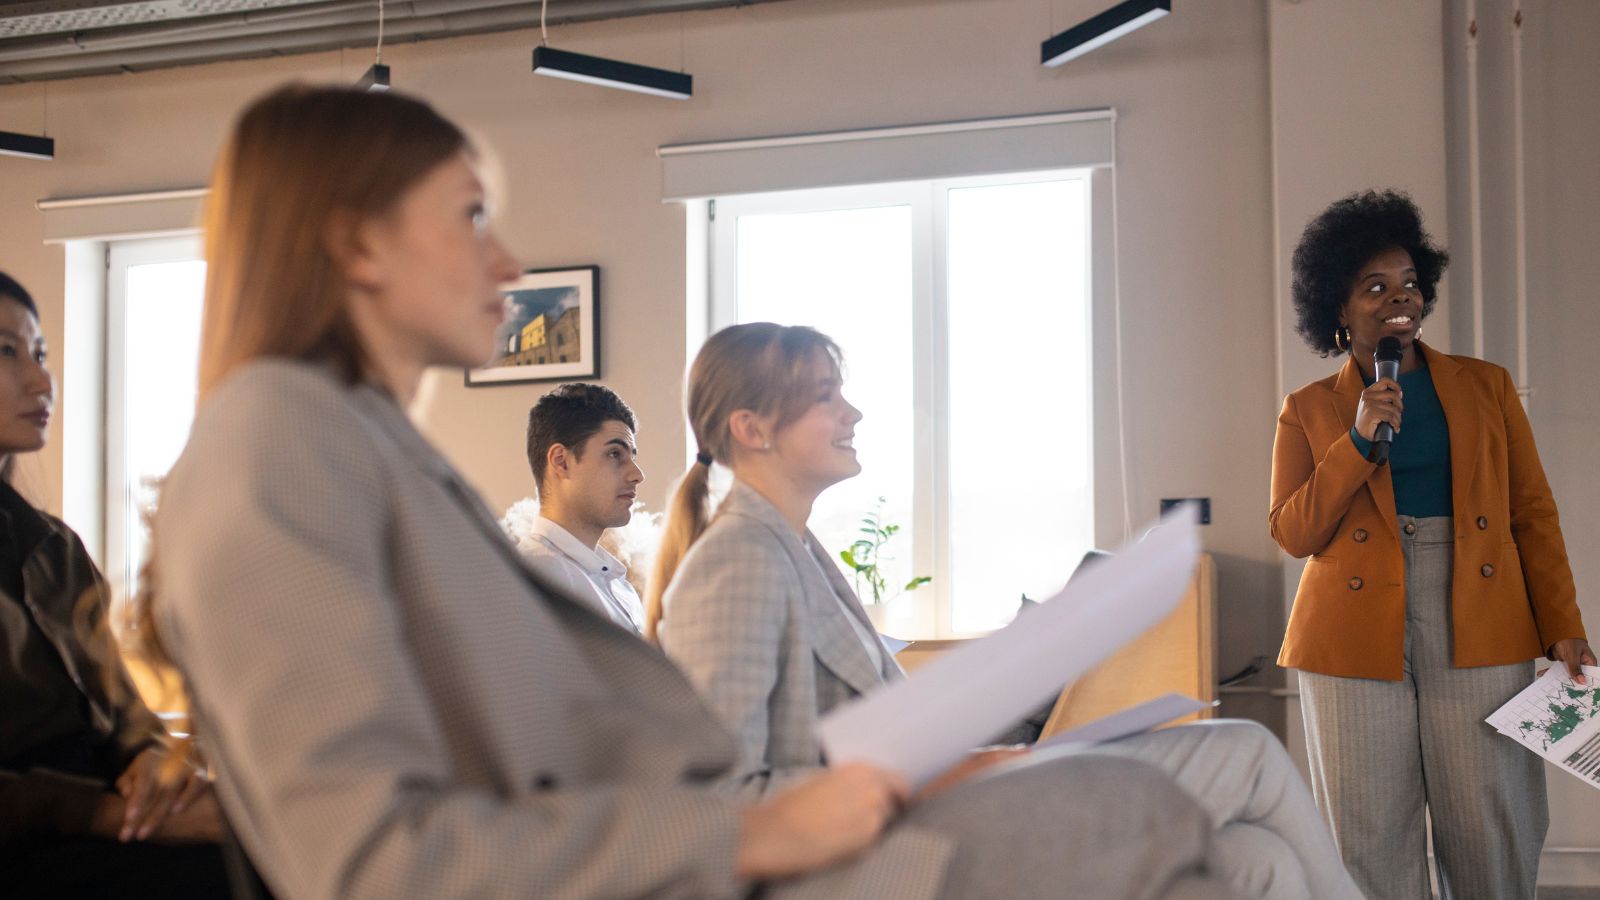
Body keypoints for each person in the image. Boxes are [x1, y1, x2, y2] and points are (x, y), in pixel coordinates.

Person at [146, 84, 1249, 900]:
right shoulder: (278, 444)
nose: (508, 262)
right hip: (699, 867)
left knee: (1202, 835)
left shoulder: (362, 449)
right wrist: (758, 833)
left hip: (700, 849)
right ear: (357, 244)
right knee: (1150, 814)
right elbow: (372, 862)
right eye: (472, 217)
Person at [649, 321, 1363, 900]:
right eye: (826, 397)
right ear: (752, 428)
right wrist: (930, 775)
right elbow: (721, 799)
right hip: (885, 845)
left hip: (938, 799)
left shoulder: (795, 547)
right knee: (1246, 752)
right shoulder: (736, 560)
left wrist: (969, 754)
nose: (853, 413)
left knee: (1260, 862)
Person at [1271, 189, 1592, 900]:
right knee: (1367, 835)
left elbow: (1532, 514)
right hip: (1350, 629)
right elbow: (1294, 532)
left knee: (1490, 820)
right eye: (1375, 287)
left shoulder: (1487, 386)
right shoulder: (1308, 409)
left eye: (1410, 282)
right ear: (1337, 308)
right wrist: (1358, 440)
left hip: (1478, 610)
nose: (1400, 299)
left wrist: (1562, 624)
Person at [0, 271, 228, 898]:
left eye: (41, 353)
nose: (42, 380)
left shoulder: (54, 547)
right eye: (7, 351)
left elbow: (124, 712)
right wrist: (108, 814)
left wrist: (151, 764)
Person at [515, 382, 646, 632]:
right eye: (614, 454)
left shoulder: (619, 585)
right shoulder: (538, 579)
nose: (637, 475)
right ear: (561, 462)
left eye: (632, 456)